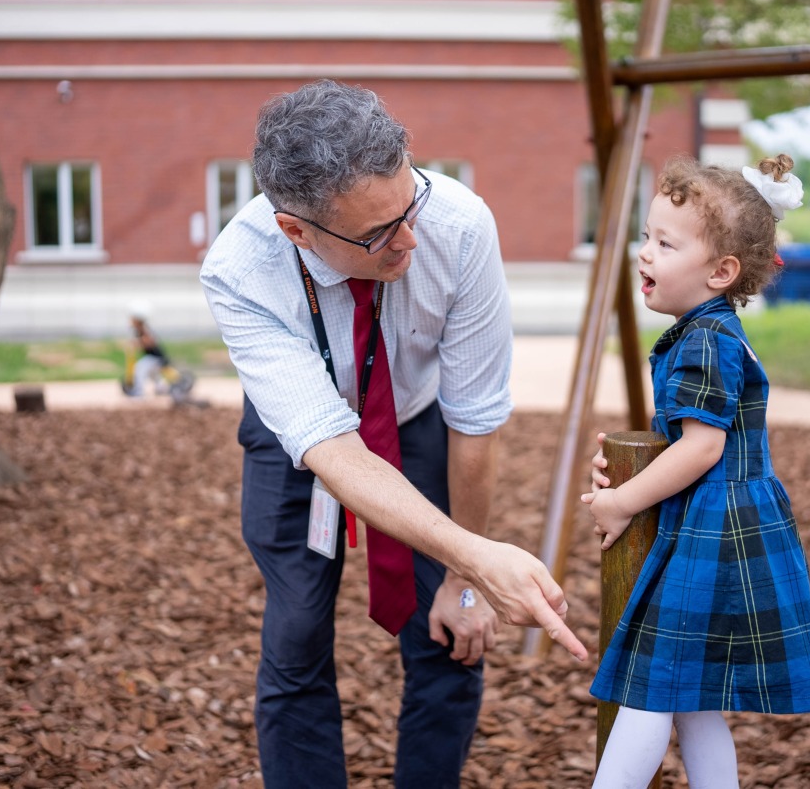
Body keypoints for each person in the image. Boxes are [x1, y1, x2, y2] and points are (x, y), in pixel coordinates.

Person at [199, 79, 586, 788]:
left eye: (410, 207)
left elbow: (474, 419)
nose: (408, 238)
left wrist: (467, 575)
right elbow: (333, 451)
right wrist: (476, 555)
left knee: (454, 634)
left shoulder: (461, 226)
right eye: (379, 233)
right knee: (295, 638)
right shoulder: (239, 271)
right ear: (297, 230)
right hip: (303, 441)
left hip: (420, 421)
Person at [581, 154, 810, 789]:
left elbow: (700, 450)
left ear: (721, 272)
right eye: (646, 236)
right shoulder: (710, 331)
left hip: (715, 537)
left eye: (665, 243)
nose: (645, 253)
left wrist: (621, 502)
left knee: (649, 685)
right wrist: (630, 473)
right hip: (720, 527)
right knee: (692, 701)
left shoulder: (703, 340)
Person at [123, 302, 193, 400]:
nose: (130, 321)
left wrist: (138, 343)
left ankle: (138, 393)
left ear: (138, 320)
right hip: (152, 358)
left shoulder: (144, 330)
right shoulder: (139, 330)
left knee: (140, 368)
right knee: (153, 374)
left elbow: (150, 342)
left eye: (133, 319)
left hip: (156, 357)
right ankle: (161, 389)